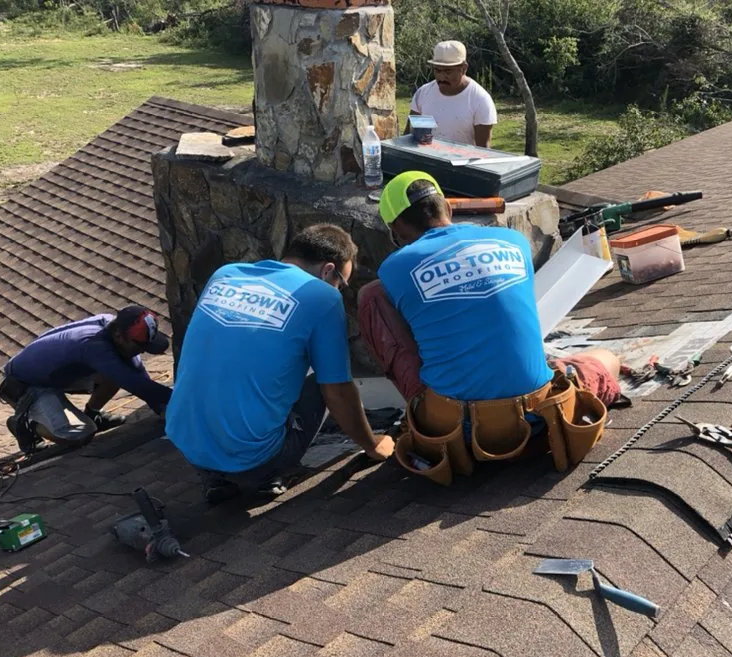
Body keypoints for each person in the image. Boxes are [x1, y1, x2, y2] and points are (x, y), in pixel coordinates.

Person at [357, 171, 623, 479]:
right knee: (607, 360)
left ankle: (421, 407)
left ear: (397, 228)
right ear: (449, 208)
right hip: (540, 418)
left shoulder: (394, 268)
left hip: (455, 431)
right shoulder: (512, 240)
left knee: (371, 296)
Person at [165, 224, 395, 503]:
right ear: (328, 270)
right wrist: (372, 445)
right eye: (341, 283)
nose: (339, 290)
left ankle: (217, 479)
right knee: (319, 383)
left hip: (188, 446)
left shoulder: (225, 275)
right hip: (254, 460)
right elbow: (337, 391)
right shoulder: (322, 296)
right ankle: (266, 476)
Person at [1, 306, 173, 452]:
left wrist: (161, 407)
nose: (142, 351)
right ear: (119, 336)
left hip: (56, 373)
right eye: (140, 346)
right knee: (81, 434)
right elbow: (136, 384)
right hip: (26, 385)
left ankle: (93, 414)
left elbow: (137, 372)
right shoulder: (93, 346)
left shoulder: (114, 329)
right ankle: (27, 425)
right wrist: (179, 401)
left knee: (118, 369)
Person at [406, 40, 498, 148]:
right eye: (437, 71)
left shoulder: (480, 100)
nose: (441, 77)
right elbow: (408, 136)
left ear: (463, 68)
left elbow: (483, 149)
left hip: (461, 163)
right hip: (426, 162)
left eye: (448, 71)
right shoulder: (423, 94)